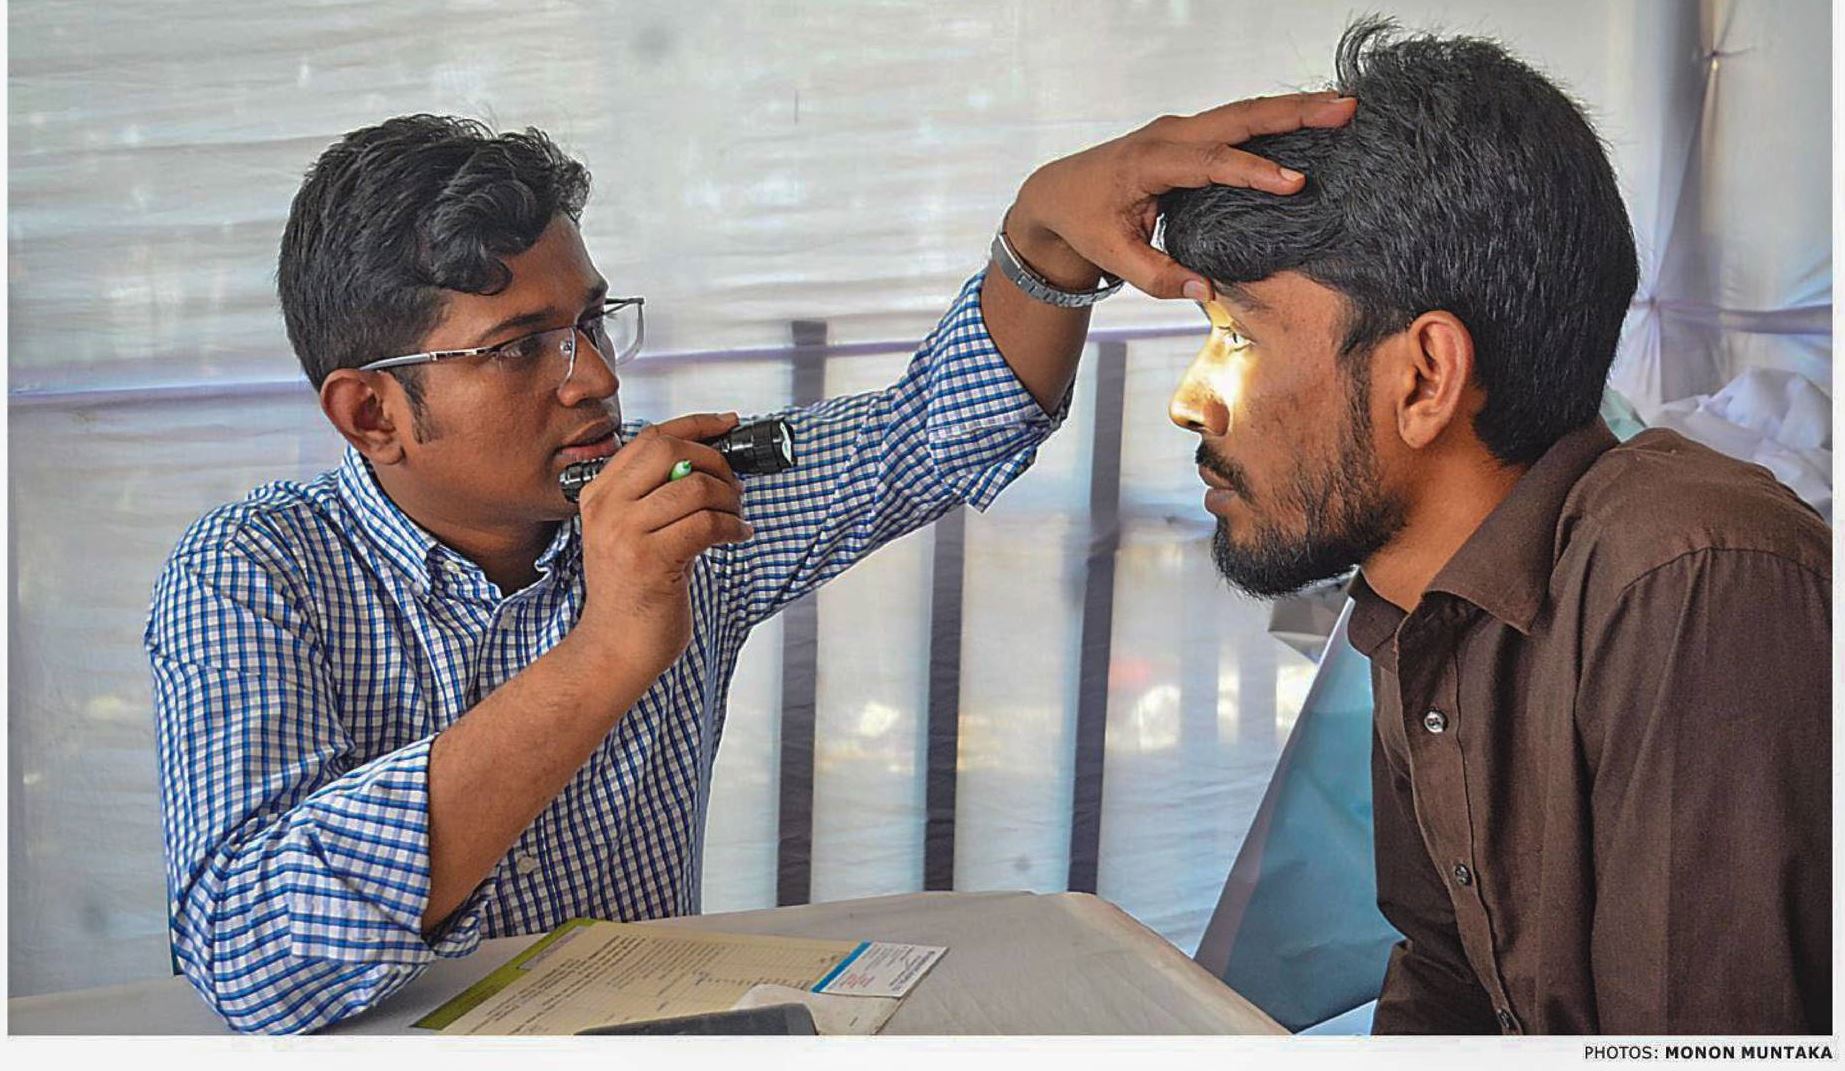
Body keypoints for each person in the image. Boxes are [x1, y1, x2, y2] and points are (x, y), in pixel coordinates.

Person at [146, 97, 1356, 1033]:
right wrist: (608, 652)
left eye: (590, 322)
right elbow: (250, 958)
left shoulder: (676, 501)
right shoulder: (255, 572)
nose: (594, 379)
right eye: (519, 348)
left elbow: (940, 427)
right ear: (370, 414)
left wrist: (1041, 235)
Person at [1160, 18, 1830, 1034]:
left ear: (1425, 376)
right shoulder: (1416, 595)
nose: (1190, 401)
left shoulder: (1692, 579)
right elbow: (1452, 978)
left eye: (1237, 338)